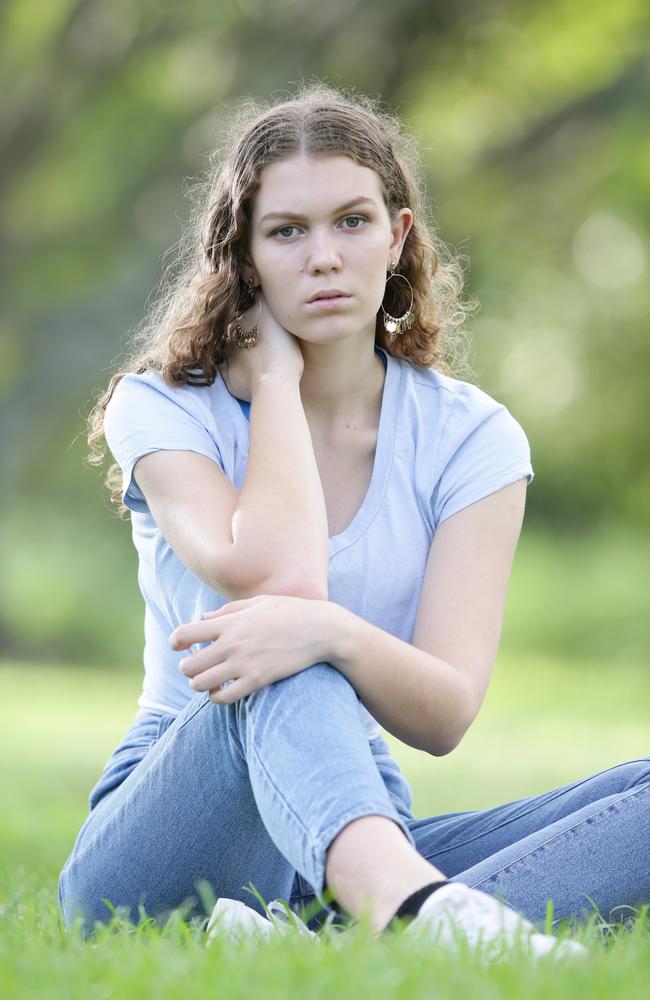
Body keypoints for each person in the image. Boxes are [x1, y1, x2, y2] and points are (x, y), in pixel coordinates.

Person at [58, 84, 647, 959]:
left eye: (352, 222)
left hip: (354, 810)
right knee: (274, 644)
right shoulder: (162, 408)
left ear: (398, 235)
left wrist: (330, 631)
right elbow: (272, 576)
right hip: (174, 821)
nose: (324, 257)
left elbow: (444, 712)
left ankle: (339, 932)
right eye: (288, 231)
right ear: (246, 258)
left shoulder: (469, 436)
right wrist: (280, 388)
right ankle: (417, 919)